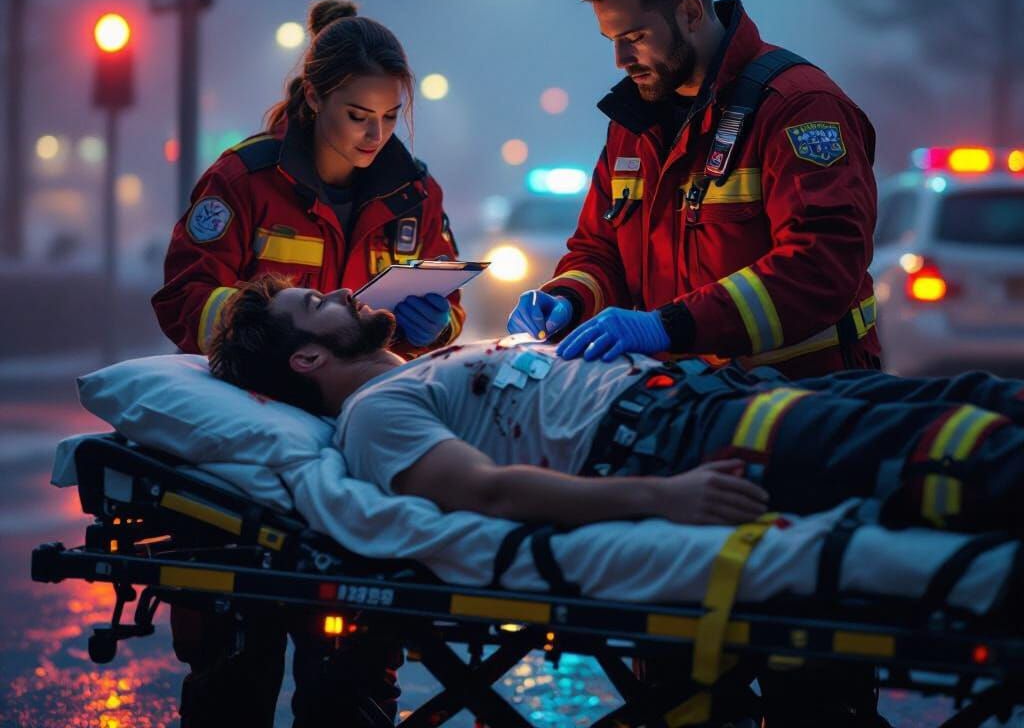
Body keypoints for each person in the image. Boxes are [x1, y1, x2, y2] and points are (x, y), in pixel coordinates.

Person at [152, 0, 464, 727]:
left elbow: (445, 308)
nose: (375, 134)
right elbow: (183, 297)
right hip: (248, 451)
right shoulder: (245, 180)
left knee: (354, 687)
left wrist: (434, 320)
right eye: (359, 114)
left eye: (389, 118)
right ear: (315, 94)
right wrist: (266, 340)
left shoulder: (414, 194)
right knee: (234, 673)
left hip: (358, 440)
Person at [209, 275, 1024, 539]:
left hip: (715, 391)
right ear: (308, 359)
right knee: (959, 448)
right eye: (317, 303)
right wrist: (659, 499)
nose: (343, 291)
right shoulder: (375, 418)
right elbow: (488, 493)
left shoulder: (426, 368)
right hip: (680, 439)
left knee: (974, 396)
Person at [507, 0, 880, 380]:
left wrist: (670, 327)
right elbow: (599, 251)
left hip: (809, 401)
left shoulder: (797, 107)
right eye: (612, 41)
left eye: (636, 37)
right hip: (687, 406)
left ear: (689, 13)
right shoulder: (633, 125)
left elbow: (820, 267)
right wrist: (567, 298)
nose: (620, 61)